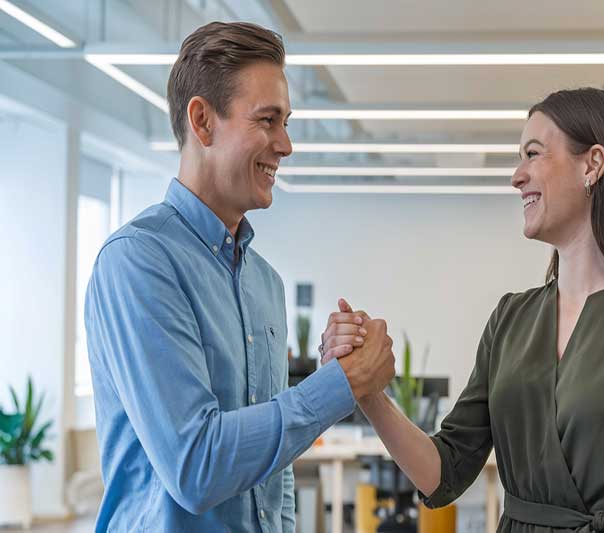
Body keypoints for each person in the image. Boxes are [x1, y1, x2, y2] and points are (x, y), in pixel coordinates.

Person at [322, 88, 604, 533]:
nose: (516, 176)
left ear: (592, 164)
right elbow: (444, 473)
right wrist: (368, 392)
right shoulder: (511, 318)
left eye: (533, 153)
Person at [84, 21, 395, 532]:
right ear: (203, 121)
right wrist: (341, 384)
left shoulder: (265, 284)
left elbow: (276, 476)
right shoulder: (138, 262)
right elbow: (196, 466)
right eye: (268, 120)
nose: (286, 145)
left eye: (286, 122)